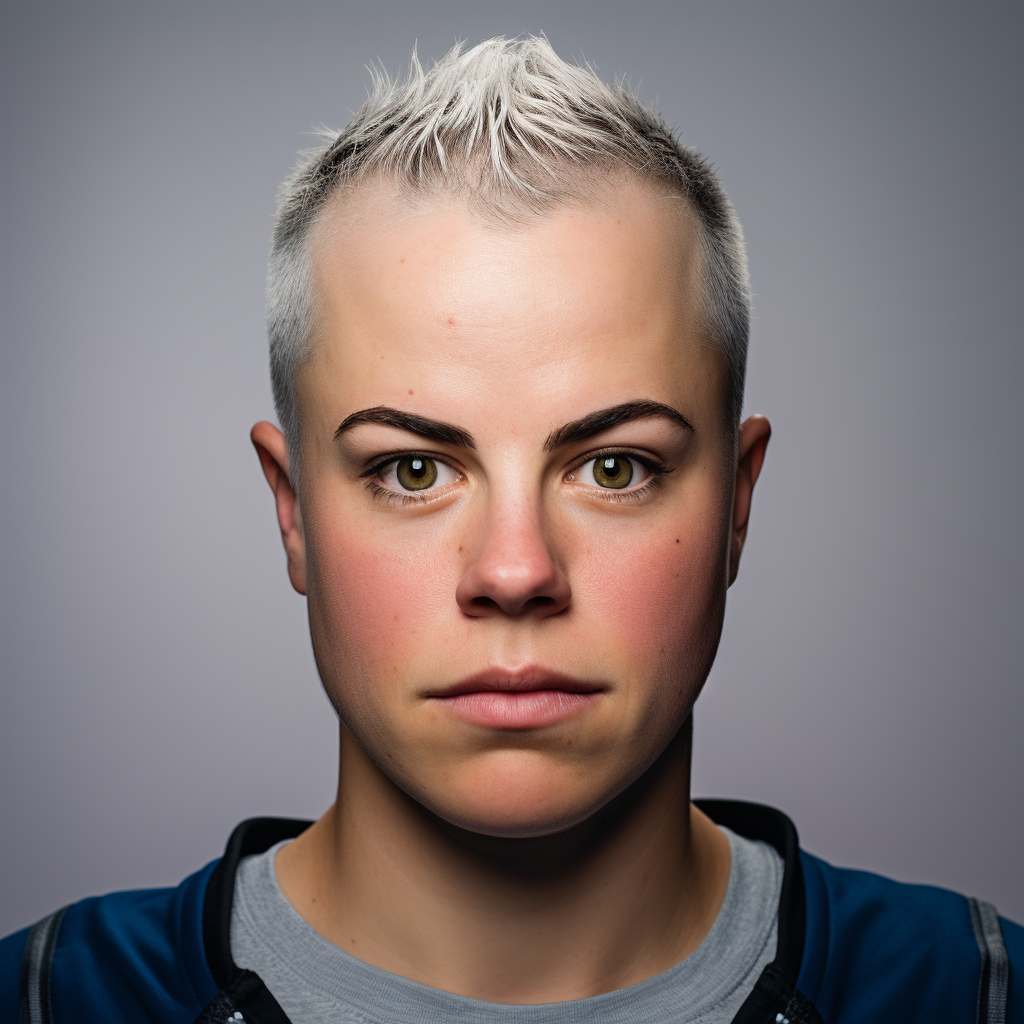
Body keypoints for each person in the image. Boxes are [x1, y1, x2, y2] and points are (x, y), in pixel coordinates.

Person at [1, 35, 1019, 1024]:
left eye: (614, 468)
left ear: (737, 503)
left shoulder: (976, 993)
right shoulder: (49, 1000)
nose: (516, 569)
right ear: (292, 509)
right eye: (413, 470)